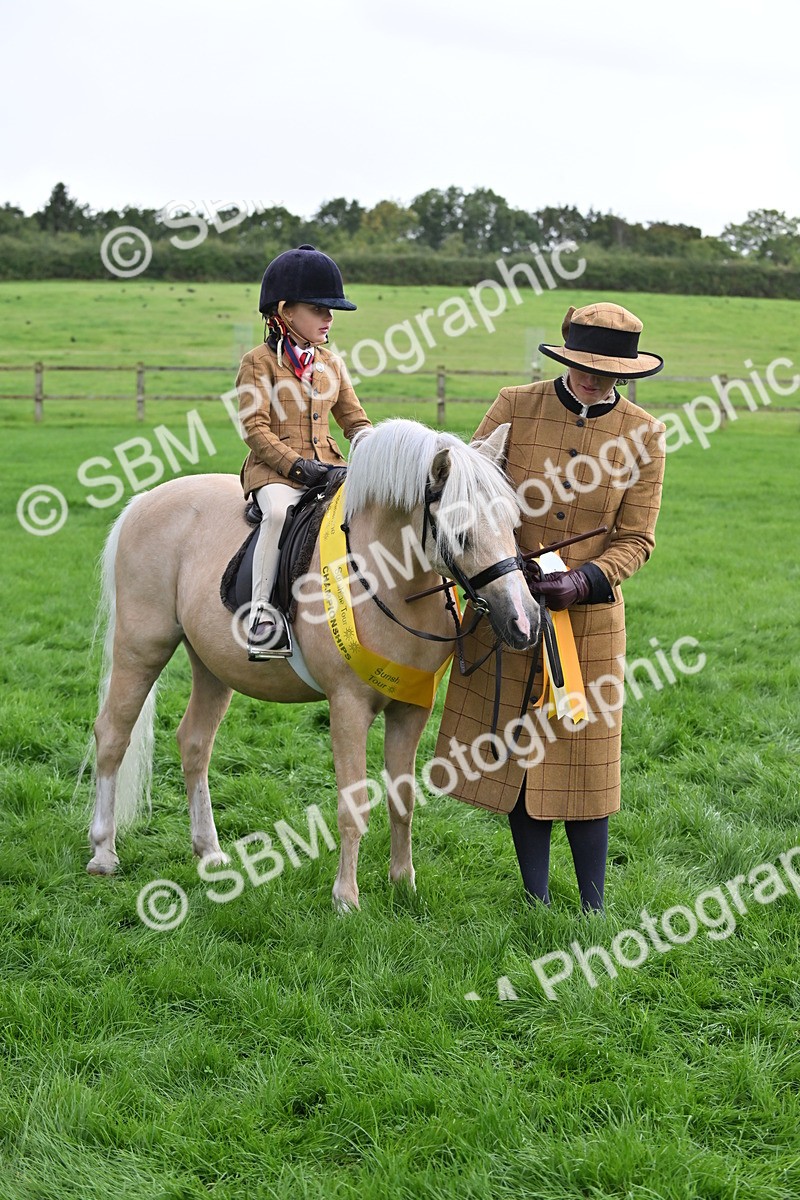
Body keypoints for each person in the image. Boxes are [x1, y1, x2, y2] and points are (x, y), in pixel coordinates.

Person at [433, 302, 666, 911]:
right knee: (522, 755)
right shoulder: (514, 404)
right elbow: (468, 488)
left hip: (587, 625)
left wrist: (587, 580)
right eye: (585, 366)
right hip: (508, 609)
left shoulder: (645, 435)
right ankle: (534, 898)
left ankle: (594, 906)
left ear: (626, 372)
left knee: (587, 764)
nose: (595, 379)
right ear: (565, 357)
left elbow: (638, 539)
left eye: (609, 371)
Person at [236, 245, 372, 660]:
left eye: (332, 311)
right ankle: (262, 614)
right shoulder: (257, 362)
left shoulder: (331, 363)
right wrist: (297, 468)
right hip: (275, 473)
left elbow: (355, 421)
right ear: (285, 311)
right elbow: (254, 428)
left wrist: (374, 449)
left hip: (332, 469)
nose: (329, 319)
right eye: (319, 309)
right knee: (278, 514)